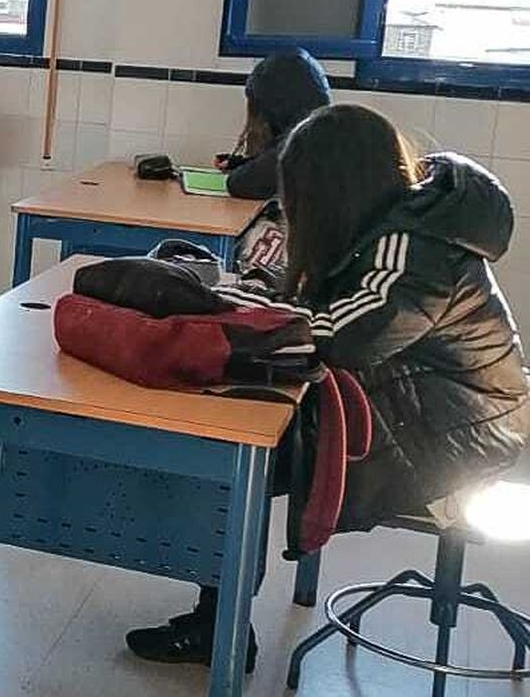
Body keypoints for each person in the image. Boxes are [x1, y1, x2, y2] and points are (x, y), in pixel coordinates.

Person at [128, 104, 529, 670]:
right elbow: (321, 305)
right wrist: (249, 290)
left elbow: (341, 336)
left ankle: (219, 628)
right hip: (424, 401)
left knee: (239, 453)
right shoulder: (400, 220)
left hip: (458, 433)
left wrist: (225, 304)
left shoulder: (416, 250)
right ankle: (219, 616)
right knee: (242, 422)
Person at [216, 48, 331, 200]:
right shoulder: (324, 130)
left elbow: (241, 184)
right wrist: (243, 164)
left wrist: (242, 170)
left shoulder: (301, 144)